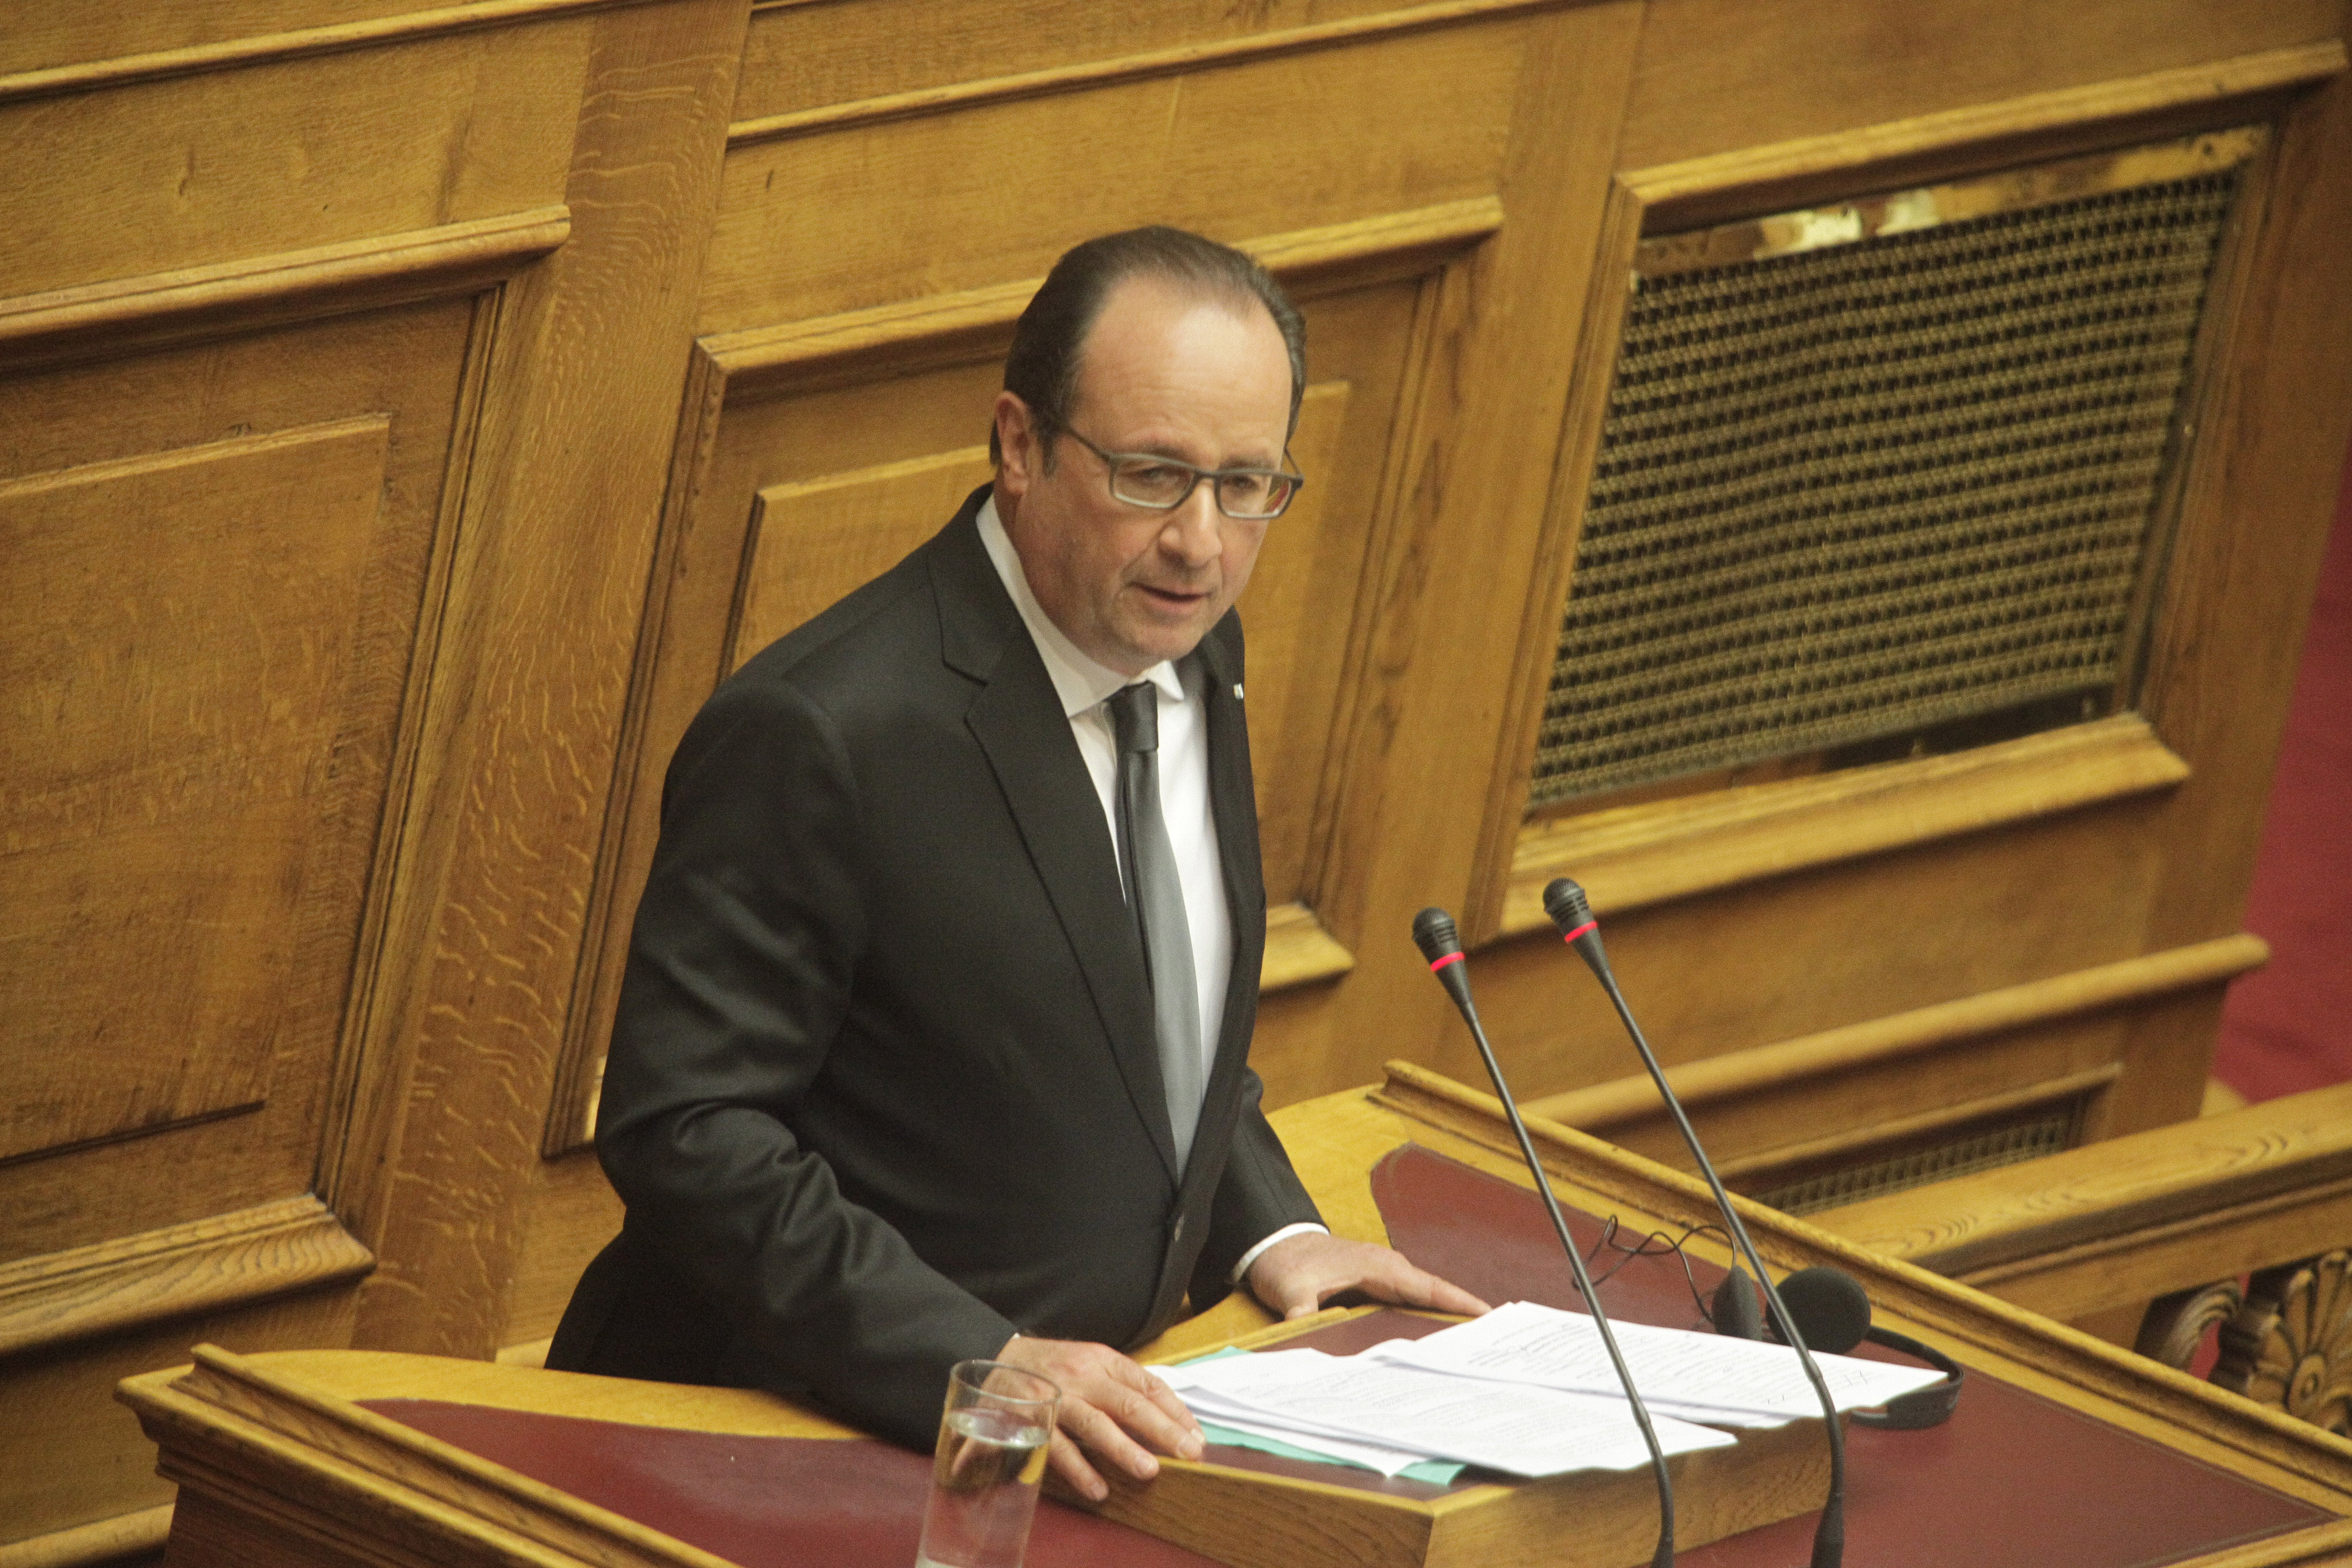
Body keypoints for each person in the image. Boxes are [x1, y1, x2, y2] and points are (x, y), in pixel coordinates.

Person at [548, 227, 1486, 1500]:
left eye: (1247, 484)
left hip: (1094, 1448)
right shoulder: (822, 730)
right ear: (1019, 445)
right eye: (1153, 475)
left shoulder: (1193, 651)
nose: (1203, 542)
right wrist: (978, 1360)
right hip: (784, 1451)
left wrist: (1273, 1226)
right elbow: (688, 1133)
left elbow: (1142, 1021)